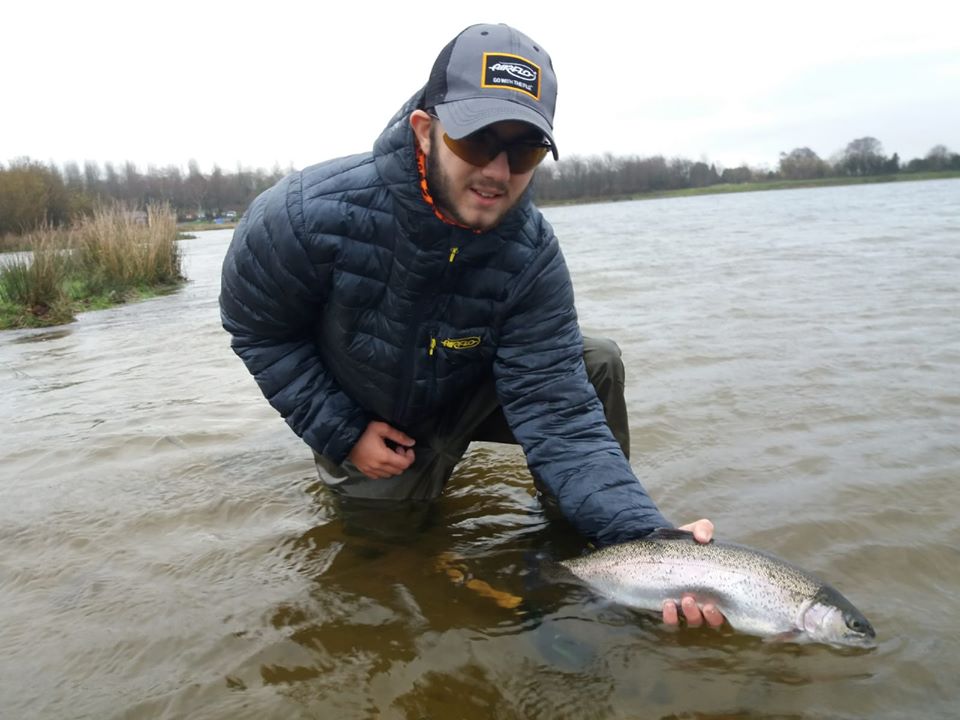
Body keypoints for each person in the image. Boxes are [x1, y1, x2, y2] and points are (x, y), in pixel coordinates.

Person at [219, 23, 722, 629]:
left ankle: (588, 556)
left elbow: (556, 408)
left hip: (466, 386)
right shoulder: (299, 215)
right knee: (384, 562)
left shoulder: (532, 254)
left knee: (595, 364)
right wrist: (343, 430)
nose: (498, 171)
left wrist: (646, 538)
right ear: (425, 131)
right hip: (373, 417)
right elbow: (260, 331)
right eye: (478, 140)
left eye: (525, 152)